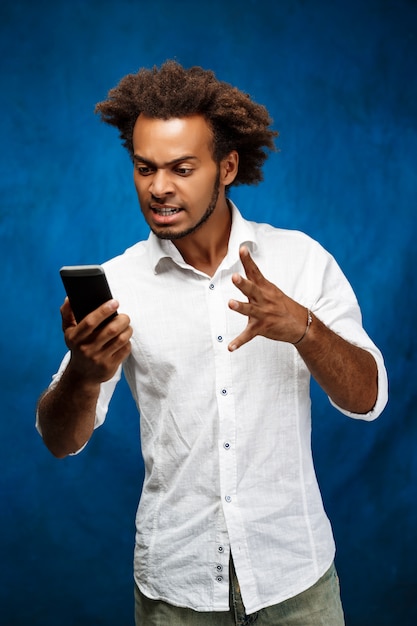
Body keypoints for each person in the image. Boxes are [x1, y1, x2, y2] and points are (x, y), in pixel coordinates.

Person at [36, 60, 388, 626]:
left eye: (181, 168)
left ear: (227, 167)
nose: (158, 188)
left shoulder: (298, 260)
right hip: (176, 591)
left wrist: (303, 328)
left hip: (296, 582)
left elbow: (368, 397)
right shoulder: (119, 284)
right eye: (144, 167)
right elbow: (60, 440)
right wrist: (83, 370)